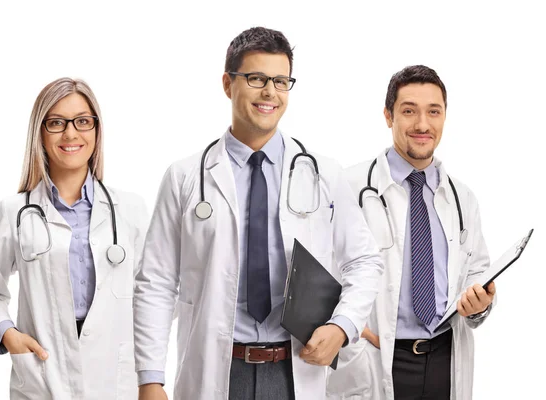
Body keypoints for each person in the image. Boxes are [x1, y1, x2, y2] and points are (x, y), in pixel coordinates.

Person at [133, 27, 384, 400]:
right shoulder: (185, 177)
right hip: (215, 370)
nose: (270, 92)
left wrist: (343, 325)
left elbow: (364, 260)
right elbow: (156, 282)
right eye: (256, 78)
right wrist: (150, 379)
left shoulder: (322, 173)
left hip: (294, 369)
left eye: (281, 81)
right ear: (227, 83)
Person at [0, 78, 149, 399]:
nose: (71, 133)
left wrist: (135, 348)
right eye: (56, 123)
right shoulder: (14, 211)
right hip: (43, 374)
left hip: (114, 375)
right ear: (40, 133)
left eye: (82, 121)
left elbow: (156, 292)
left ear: (96, 130)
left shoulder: (130, 209)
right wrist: (8, 335)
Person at [326, 65, 496, 400]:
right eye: (409, 111)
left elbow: (477, 271)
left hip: (446, 358)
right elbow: (317, 270)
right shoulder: (349, 187)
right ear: (388, 116)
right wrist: (348, 327)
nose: (422, 124)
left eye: (434, 112)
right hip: (375, 357)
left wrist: (481, 304)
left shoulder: (463, 198)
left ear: (444, 117)